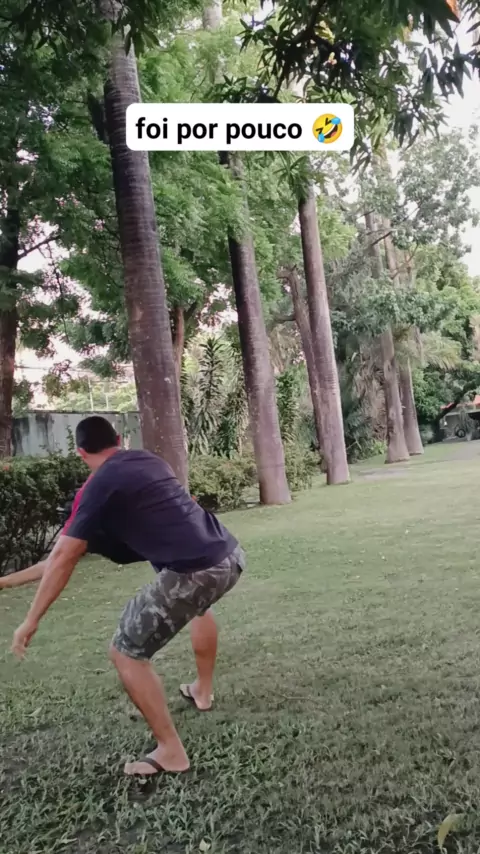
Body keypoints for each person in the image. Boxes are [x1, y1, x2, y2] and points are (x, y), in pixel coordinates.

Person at [10, 415, 245, 777]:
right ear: (118, 439)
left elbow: (61, 557)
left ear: (80, 453)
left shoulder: (98, 487)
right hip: (228, 553)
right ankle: (202, 690)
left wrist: (30, 620)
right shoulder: (148, 462)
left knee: (126, 652)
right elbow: (56, 560)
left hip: (195, 569)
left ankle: (171, 752)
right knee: (198, 608)